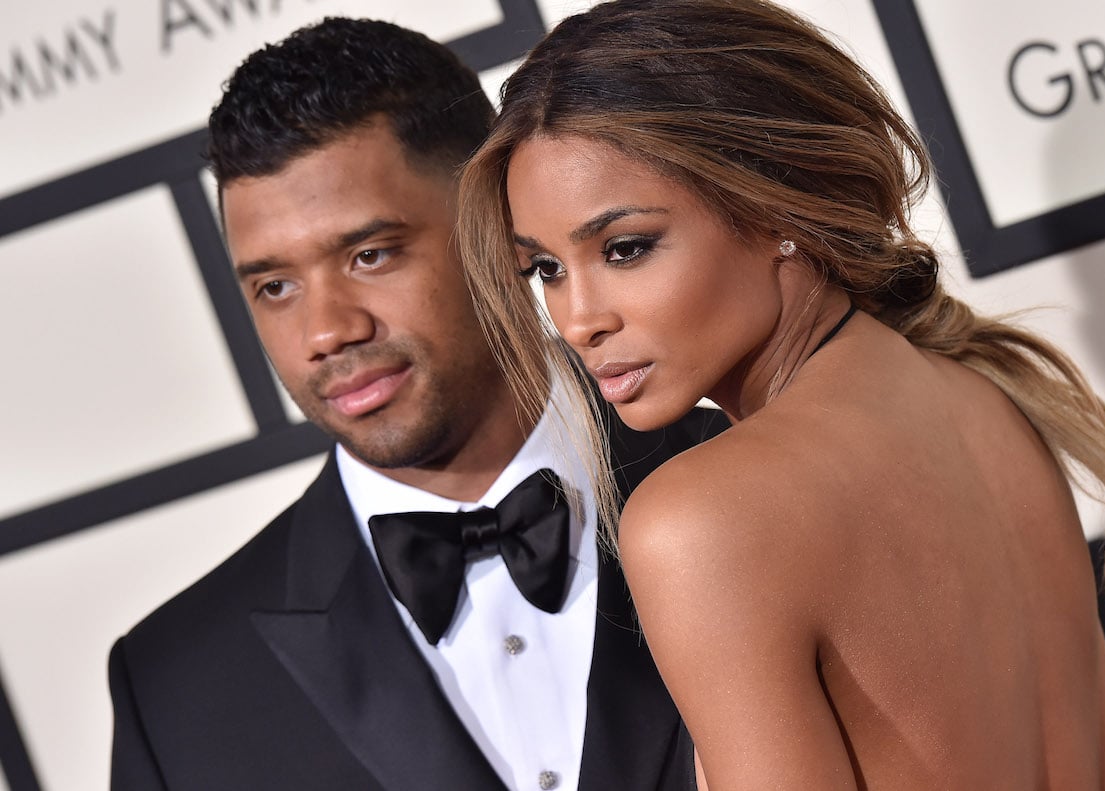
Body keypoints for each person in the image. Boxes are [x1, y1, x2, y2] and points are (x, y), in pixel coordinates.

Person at [455, 0, 1105, 787]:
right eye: (546, 269)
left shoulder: (704, 519)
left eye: (626, 248)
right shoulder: (990, 392)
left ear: (781, 205)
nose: (577, 319)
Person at [106, 17, 723, 790]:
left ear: (495, 224)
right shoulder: (176, 687)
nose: (327, 331)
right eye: (276, 286)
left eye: (370, 255)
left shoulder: (753, 477)